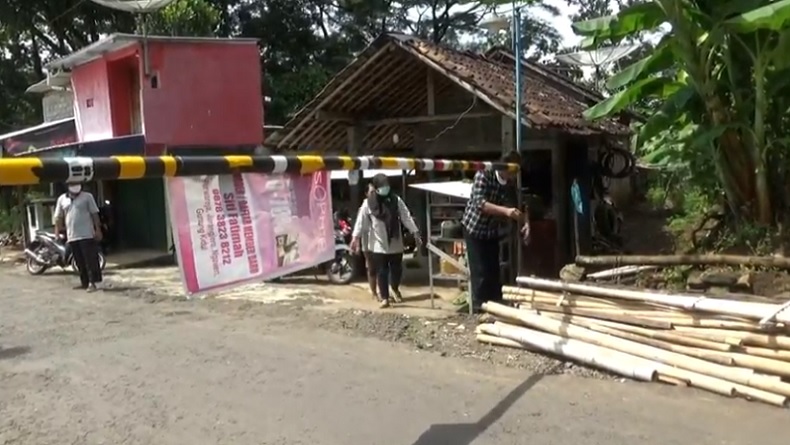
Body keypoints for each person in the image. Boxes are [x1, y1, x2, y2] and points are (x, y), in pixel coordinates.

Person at [462, 151, 528, 312]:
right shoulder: (484, 174)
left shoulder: (510, 184)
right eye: (513, 171)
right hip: (474, 229)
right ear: (505, 167)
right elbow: (480, 203)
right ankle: (479, 308)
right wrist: (506, 211)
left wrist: (526, 222)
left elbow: (519, 204)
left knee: (493, 270)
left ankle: (494, 305)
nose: (514, 176)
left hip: (491, 231)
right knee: (480, 271)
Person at [351, 174, 421, 308]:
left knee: (396, 270)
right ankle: (385, 298)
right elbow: (361, 221)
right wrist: (355, 238)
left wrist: (415, 231)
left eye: (387, 185)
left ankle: (394, 287)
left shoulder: (396, 200)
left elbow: (406, 216)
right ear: (376, 187)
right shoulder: (368, 203)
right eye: (382, 186)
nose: (385, 188)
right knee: (381, 272)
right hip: (378, 244)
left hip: (395, 241)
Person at [54, 183, 104, 292]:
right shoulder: (62, 199)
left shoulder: (87, 197)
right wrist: (57, 232)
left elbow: (94, 214)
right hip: (72, 236)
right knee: (79, 261)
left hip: (87, 234)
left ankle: (92, 283)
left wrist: (98, 229)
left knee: (90, 260)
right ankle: (84, 282)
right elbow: (58, 217)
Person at [360, 183, 379, 299]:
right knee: (372, 269)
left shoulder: (381, 204)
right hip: (367, 242)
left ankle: (383, 293)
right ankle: (374, 292)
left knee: (382, 268)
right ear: (366, 194)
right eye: (371, 192)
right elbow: (360, 225)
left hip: (379, 242)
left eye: (375, 192)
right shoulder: (364, 207)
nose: (374, 194)